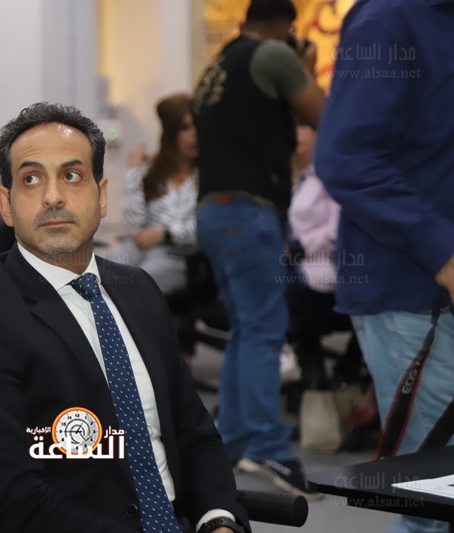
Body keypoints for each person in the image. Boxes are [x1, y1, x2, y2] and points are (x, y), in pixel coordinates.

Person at [0, 102, 249, 533]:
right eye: (31, 179)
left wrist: (219, 519)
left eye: (72, 176)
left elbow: (194, 434)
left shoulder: (140, 291)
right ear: (6, 205)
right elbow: (13, 502)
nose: (53, 197)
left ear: (102, 195)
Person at [314, 0, 454, 531]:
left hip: (425, 289)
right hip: (415, 295)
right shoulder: (391, 18)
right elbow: (345, 157)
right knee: (432, 503)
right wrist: (441, 250)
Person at [191, 0, 325, 497]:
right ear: (287, 27)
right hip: (247, 212)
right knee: (265, 331)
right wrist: (304, 69)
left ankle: (232, 443)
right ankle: (269, 447)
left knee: (247, 329)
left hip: (214, 210)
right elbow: (324, 116)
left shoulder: (218, 64)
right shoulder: (273, 55)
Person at [107, 93, 199, 296]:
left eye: (198, 126)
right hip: (142, 248)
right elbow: (134, 225)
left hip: (179, 256)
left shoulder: (207, 177)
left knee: (139, 281)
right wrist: (133, 172)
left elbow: (208, 227)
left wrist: (165, 234)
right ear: (171, 132)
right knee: (103, 270)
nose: (195, 134)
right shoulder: (153, 172)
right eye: (186, 128)